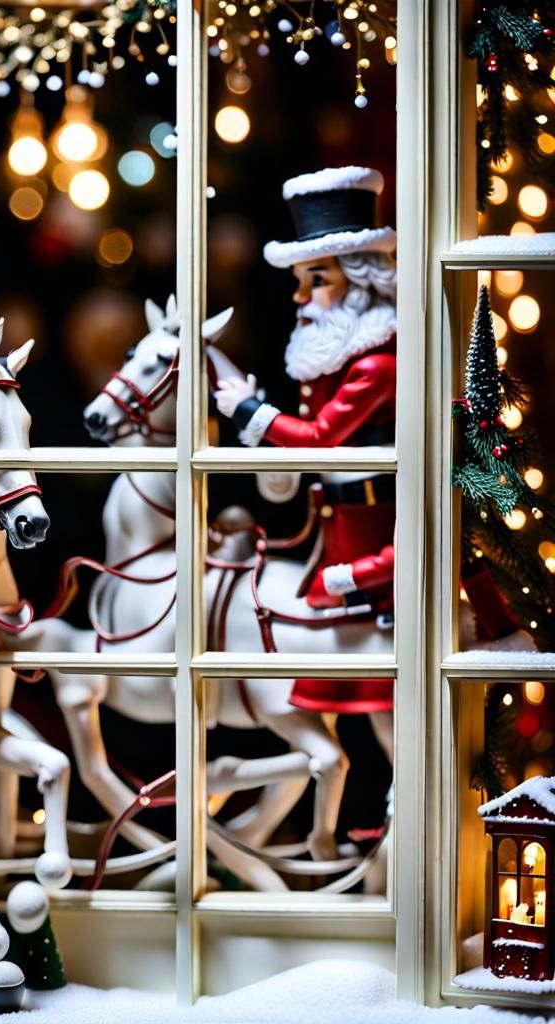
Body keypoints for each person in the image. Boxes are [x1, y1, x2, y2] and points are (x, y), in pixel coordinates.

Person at [213, 165, 397, 716]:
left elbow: (319, 438)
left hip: (374, 538)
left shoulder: (377, 366)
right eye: (300, 281)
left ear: (361, 281)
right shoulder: (328, 365)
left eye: (316, 280)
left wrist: (252, 411)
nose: (299, 296)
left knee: (372, 673)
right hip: (333, 528)